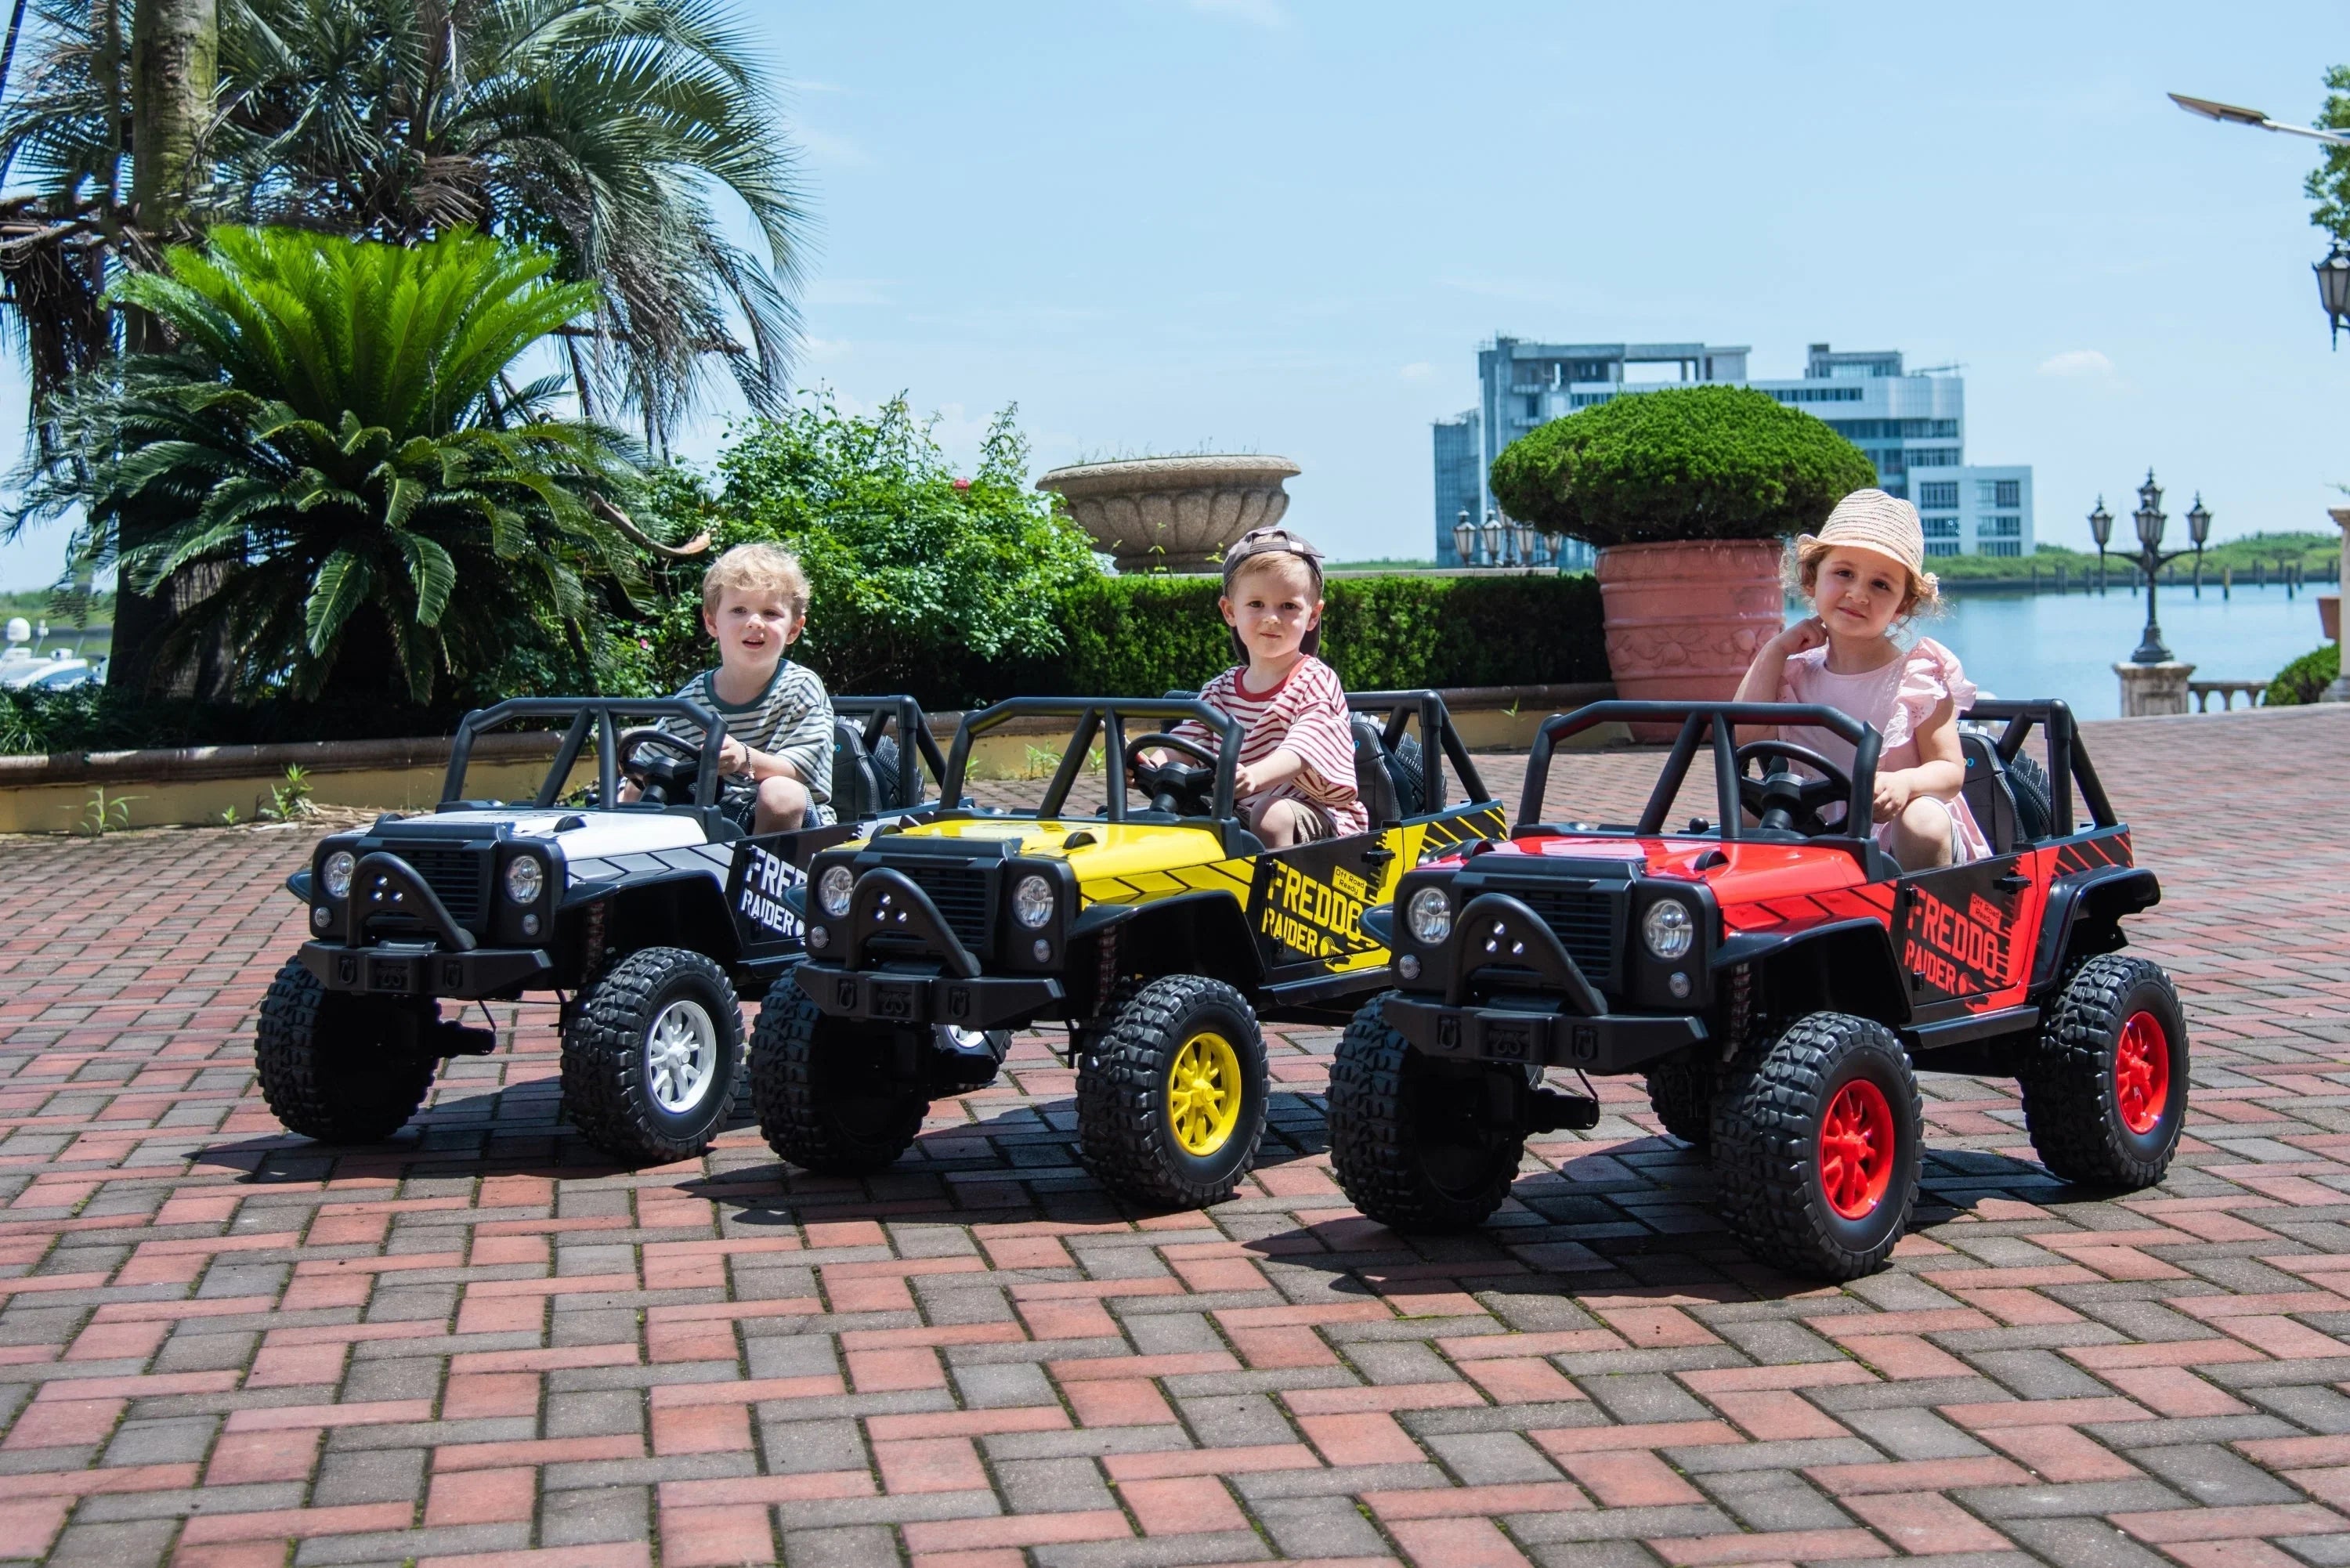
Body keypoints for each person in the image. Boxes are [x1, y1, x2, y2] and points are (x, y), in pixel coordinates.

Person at [1733, 488, 1988, 871]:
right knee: (1744, 810)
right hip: (1816, 819)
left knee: (1922, 822)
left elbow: (1950, 771)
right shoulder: (1795, 671)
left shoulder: (1919, 673)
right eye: (1844, 573)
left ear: (1902, 605)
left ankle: (1918, 924)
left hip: (1897, 827)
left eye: (1880, 585)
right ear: (1811, 579)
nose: (1858, 594)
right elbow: (1743, 738)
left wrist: (1906, 784)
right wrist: (1775, 650)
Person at [1158, 526, 1367, 847]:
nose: (1271, 618)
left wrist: (1253, 776)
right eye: (1256, 604)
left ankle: (1276, 898)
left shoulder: (1316, 681)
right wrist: (1151, 762)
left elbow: (1302, 750)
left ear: (1313, 615)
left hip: (1321, 819)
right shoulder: (1219, 690)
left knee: (1271, 815)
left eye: (1288, 606)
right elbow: (1184, 745)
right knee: (1167, 821)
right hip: (1237, 812)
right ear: (1230, 611)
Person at [631, 542, 834, 835]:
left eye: (770, 613)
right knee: (641, 798)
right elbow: (645, 768)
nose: (754, 623)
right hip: (710, 819)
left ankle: (761, 879)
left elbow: (802, 772)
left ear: (793, 629)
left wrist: (743, 758)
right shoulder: (690, 701)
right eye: (739, 610)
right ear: (712, 622)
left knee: (779, 793)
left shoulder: (801, 688)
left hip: (795, 826)